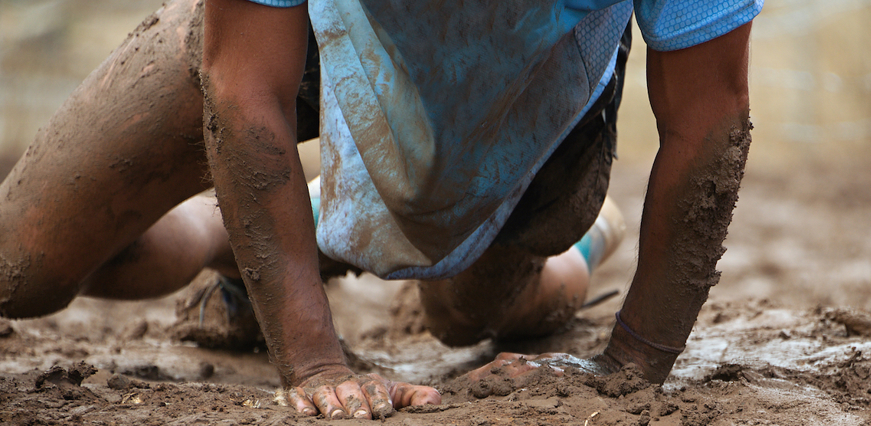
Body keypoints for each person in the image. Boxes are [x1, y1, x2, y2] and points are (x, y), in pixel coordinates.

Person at [0, 0, 760, 420]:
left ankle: (584, 243)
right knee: (18, 268)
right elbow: (242, 82)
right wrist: (312, 358)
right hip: (293, 32)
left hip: (529, 104)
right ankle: (220, 229)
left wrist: (630, 363)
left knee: (465, 315)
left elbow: (710, 121)